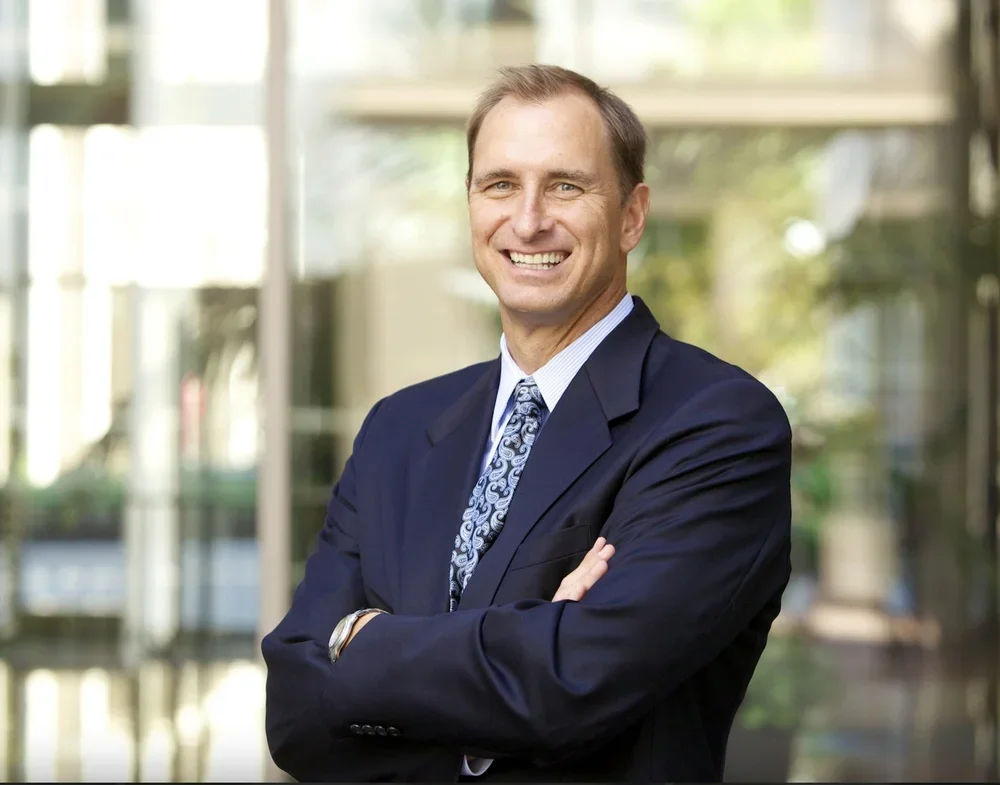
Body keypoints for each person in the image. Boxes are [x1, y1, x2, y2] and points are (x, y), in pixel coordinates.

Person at [262, 64, 792, 783]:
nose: (529, 219)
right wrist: (522, 646)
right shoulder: (398, 429)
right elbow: (294, 713)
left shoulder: (717, 426)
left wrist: (359, 642)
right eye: (500, 184)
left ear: (632, 214)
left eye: (565, 185)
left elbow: (568, 685)